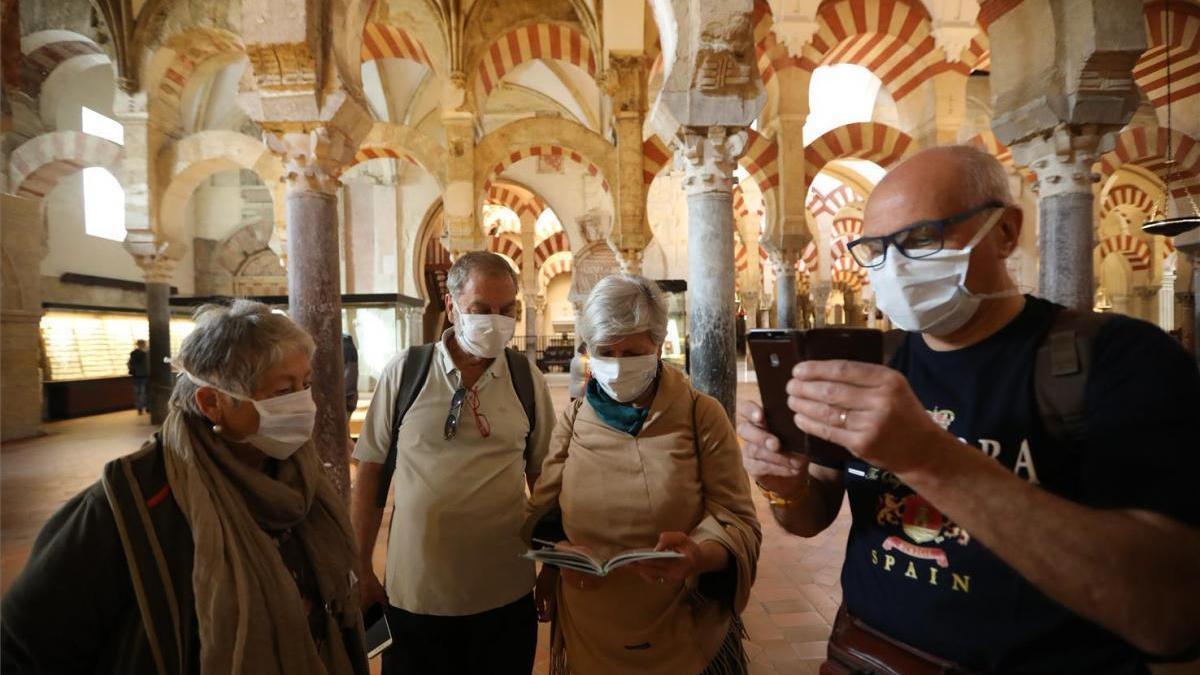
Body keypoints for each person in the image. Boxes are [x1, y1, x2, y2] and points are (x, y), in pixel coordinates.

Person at [737, 145, 1200, 672]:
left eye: (920, 238)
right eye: (875, 249)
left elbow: (1170, 615)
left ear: (1005, 232)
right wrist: (786, 485)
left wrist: (928, 457)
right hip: (868, 658)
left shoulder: (1120, 360)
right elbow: (809, 517)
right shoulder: (876, 364)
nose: (895, 265)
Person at [2, 300, 369, 675]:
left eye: (305, 385)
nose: (303, 404)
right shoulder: (131, 506)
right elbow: (27, 641)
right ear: (212, 402)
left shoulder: (303, 479)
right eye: (282, 392)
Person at [525, 274, 760, 675]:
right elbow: (541, 513)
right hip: (590, 629)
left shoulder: (700, 414)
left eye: (632, 352)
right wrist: (558, 552)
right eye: (605, 351)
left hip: (684, 630)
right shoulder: (574, 418)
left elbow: (737, 522)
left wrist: (697, 555)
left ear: (658, 344)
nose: (617, 365)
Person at [351, 251, 555, 675]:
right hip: (416, 595)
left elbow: (544, 480)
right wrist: (360, 567)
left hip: (505, 592)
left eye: (507, 311)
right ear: (450, 305)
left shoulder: (524, 377)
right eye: (482, 309)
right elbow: (371, 473)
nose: (496, 321)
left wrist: (552, 566)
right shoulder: (406, 372)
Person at [129, 338, 149, 415]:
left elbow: (130, 364)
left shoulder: (133, 353)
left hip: (136, 376)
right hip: (144, 375)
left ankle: (139, 408)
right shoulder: (145, 354)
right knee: (144, 392)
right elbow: (146, 366)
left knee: (137, 393)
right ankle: (147, 407)